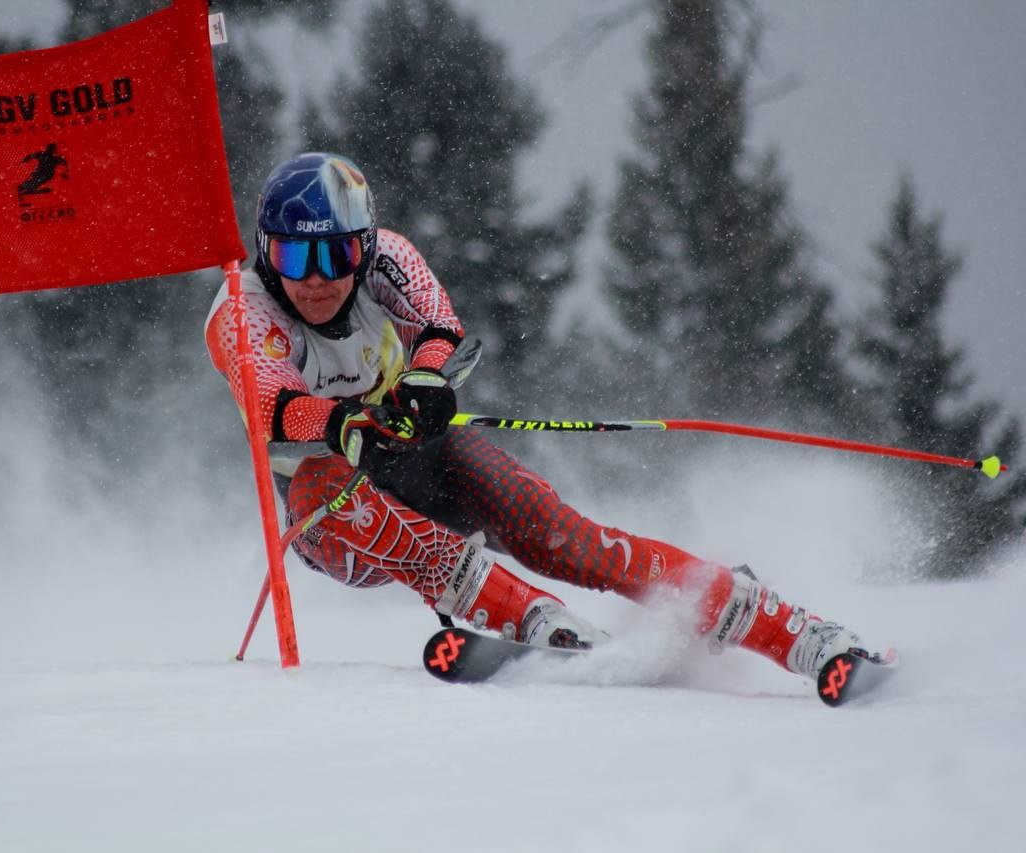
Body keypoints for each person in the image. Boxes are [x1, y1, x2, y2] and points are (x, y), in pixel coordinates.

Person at [206, 152, 879, 687]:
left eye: (337, 256)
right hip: (329, 512)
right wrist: (347, 424)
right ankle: (536, 619)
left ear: (364, 246)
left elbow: (438, 326)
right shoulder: (242, 308)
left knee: (559, 534)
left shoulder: (388, 257)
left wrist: (425, 379)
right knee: (336, 489)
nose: (317, 279)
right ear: (267, 252)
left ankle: (791, 630)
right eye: (295, 257)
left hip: (417, 454)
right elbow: (273, 407)